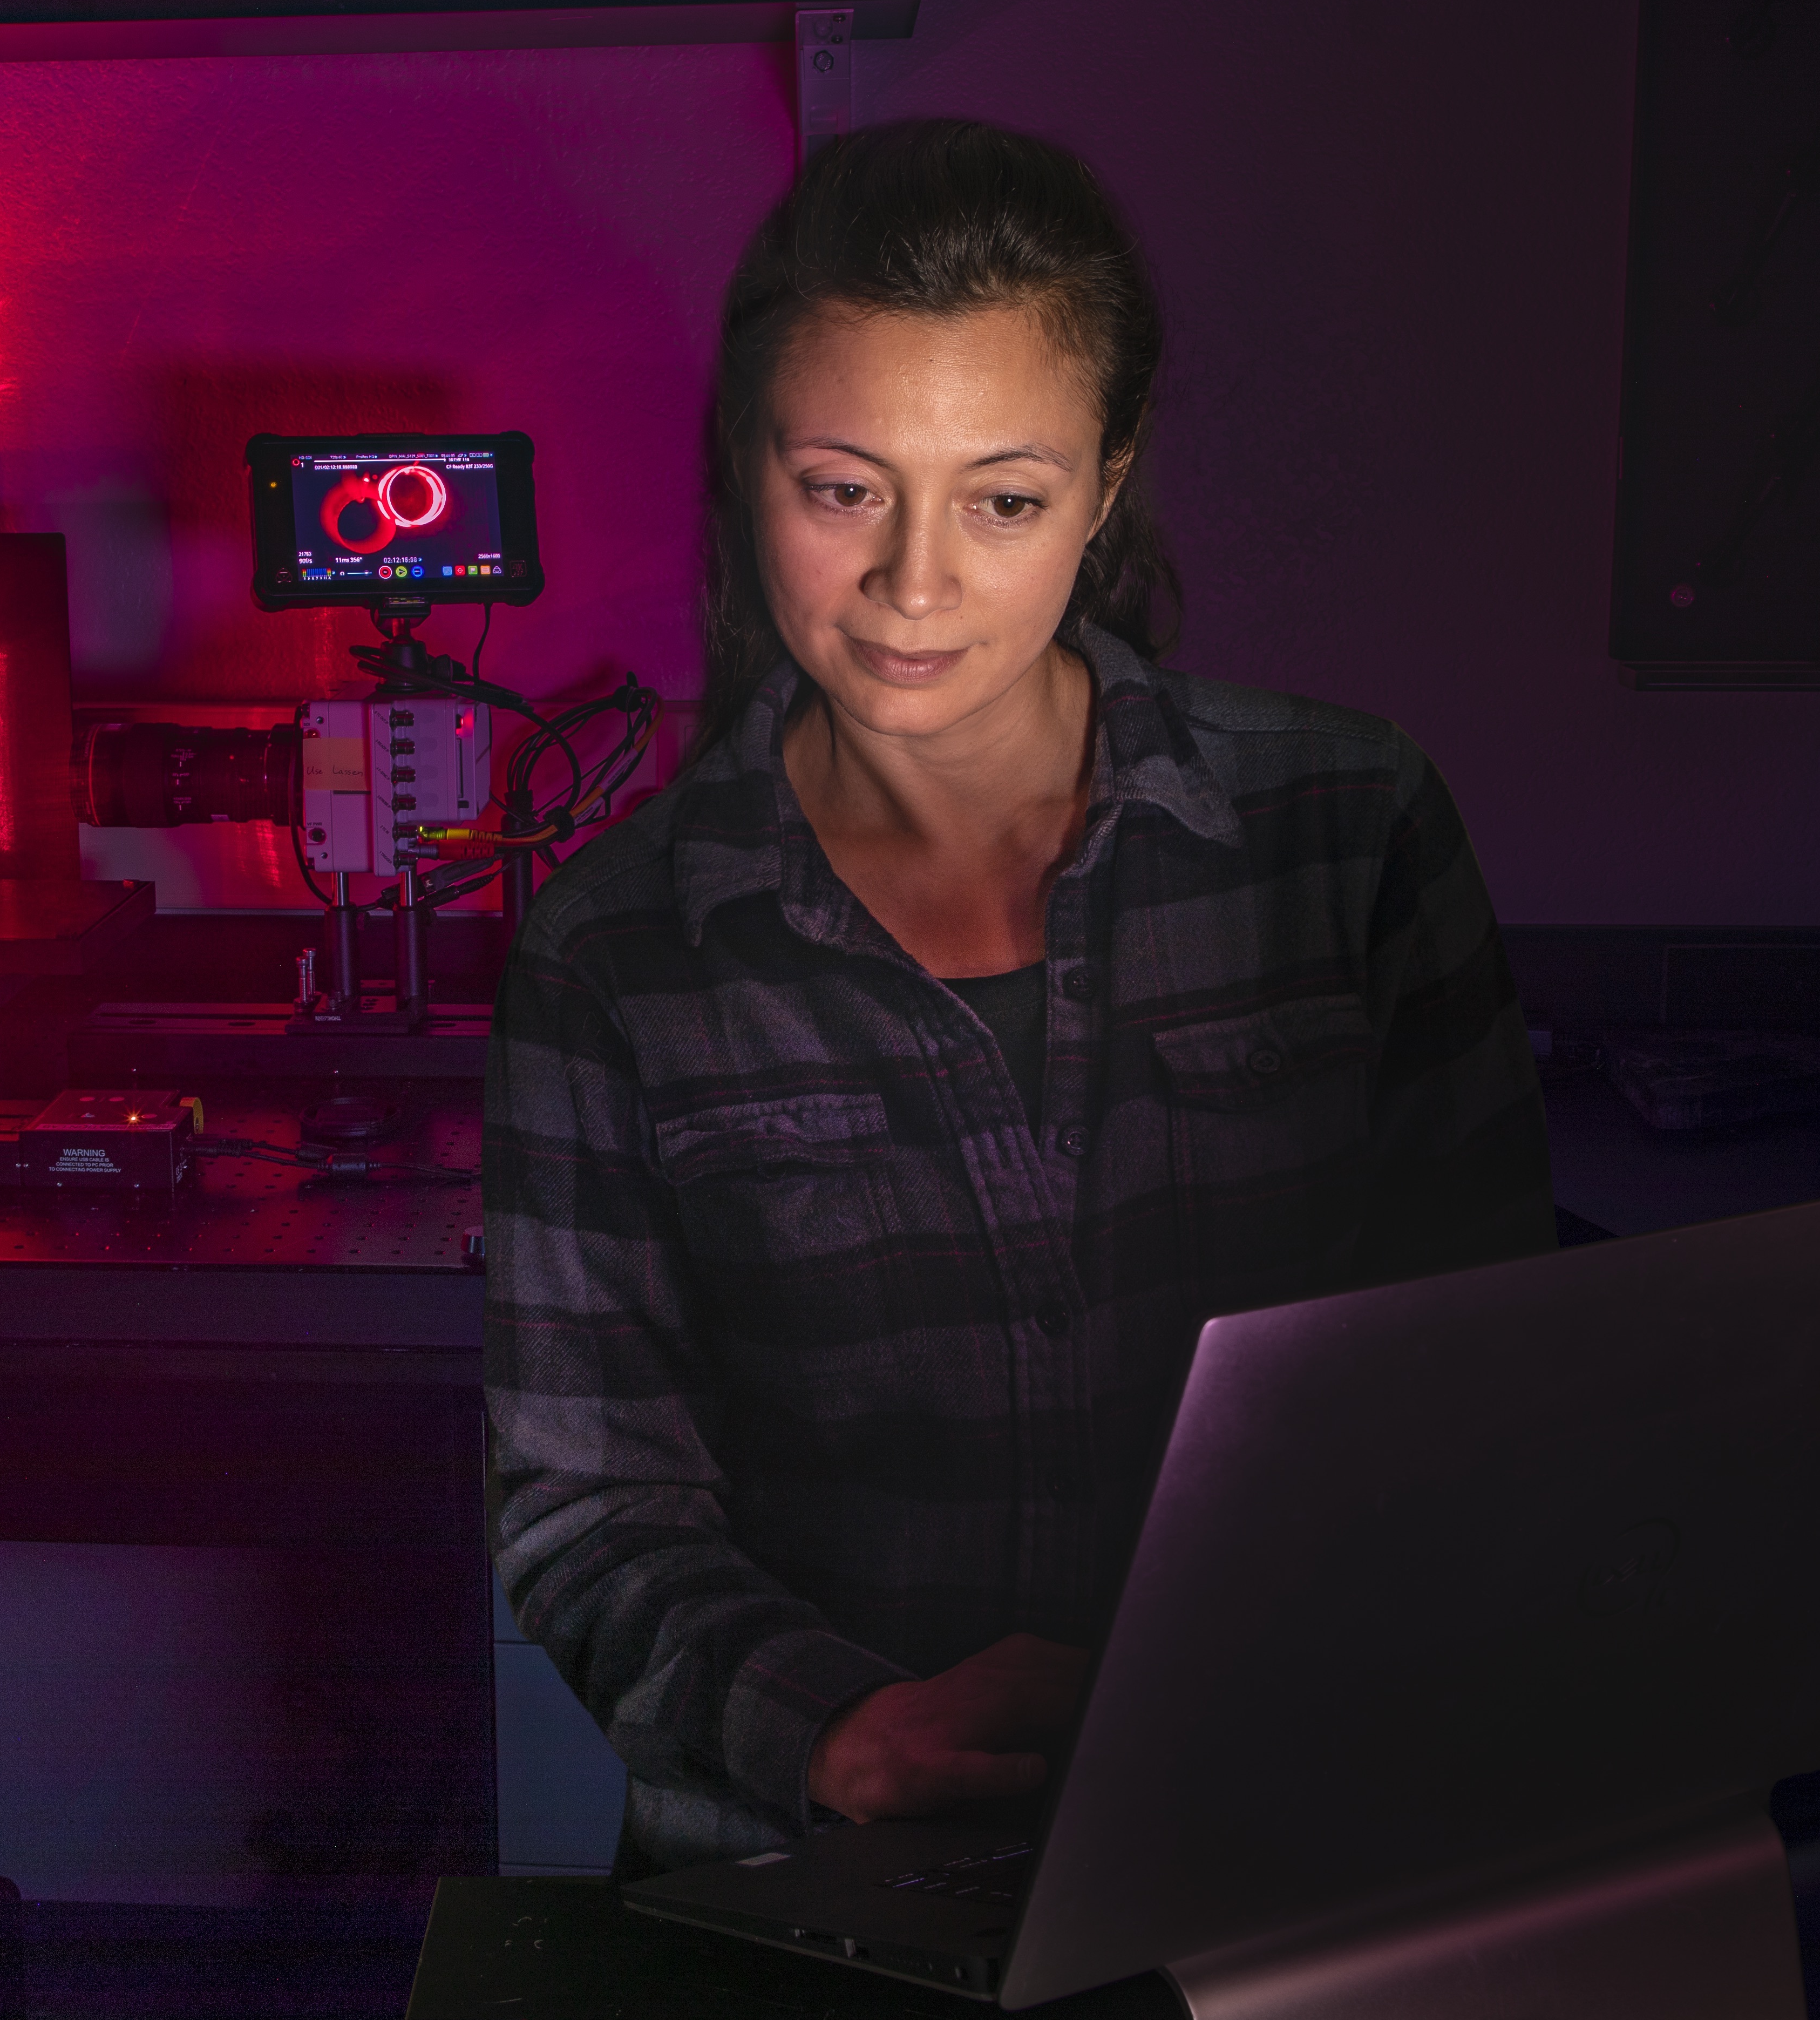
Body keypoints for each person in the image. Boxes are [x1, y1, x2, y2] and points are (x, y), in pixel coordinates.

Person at [483, 118, 1552, 1876]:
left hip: (1279, 1838)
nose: (916, 584)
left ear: (1109, 482)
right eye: (841, 489)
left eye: (1005, 499)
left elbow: (1483, 1376)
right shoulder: (616, 951)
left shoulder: (1344, 830)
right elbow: (592, 1509)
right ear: (747, 466)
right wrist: (835, 1726)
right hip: (807, 1881)